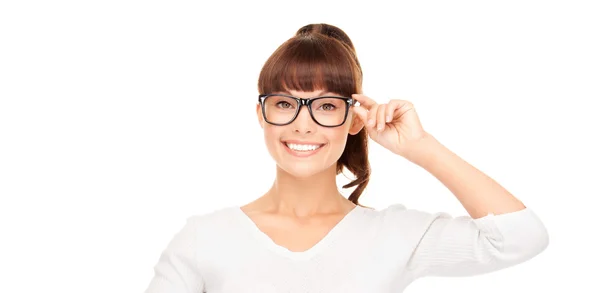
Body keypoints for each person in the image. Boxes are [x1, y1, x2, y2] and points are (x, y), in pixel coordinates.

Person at [144, 23, 549, 293]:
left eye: (325, 106)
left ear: (353, 119)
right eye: (286, 103)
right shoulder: (204, 238)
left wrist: (421, 146)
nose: (303, 125)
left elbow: (520, 237)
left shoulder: (394, 234)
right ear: (261, 115)